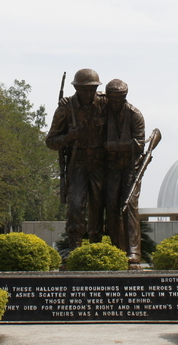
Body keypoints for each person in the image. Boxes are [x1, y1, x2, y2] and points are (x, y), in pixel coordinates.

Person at [46, 68, 107, 252]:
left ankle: (96, 247)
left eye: (92, 89)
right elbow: (51, 141)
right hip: (77, 161)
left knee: (98, 204)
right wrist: (68, 137)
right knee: (76, 205)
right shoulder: (66, 108)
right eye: (84, 89)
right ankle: (75, 248)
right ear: (76, 88)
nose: (89, 93)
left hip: (99, 161)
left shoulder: (105, 103)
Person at [102, 78, 145, 265]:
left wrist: (113, 146)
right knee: (111, 206)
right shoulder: (103, 111)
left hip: (130, 167)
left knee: (129, 206)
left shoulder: (135, 115)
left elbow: (139, 145)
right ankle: (116, 248)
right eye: (111, 99)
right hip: (110, 167)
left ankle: (133, 251)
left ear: (125, 97)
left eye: (118, 99)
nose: (114, 103)